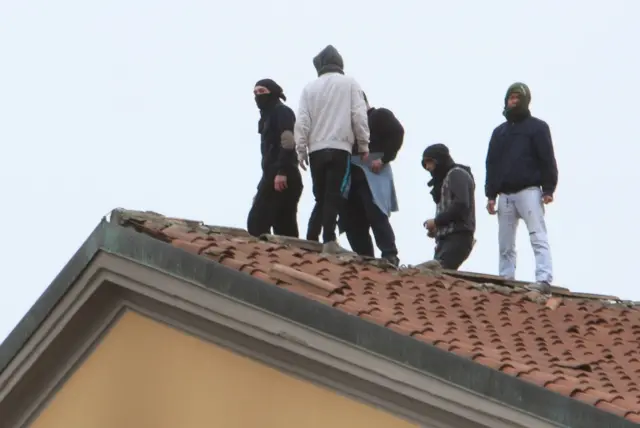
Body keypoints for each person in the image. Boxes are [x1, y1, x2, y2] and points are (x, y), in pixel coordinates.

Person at [295, 45, 370, 254]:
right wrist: (363, 144)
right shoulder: (350, 84)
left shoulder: (309, 88)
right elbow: (359, 115)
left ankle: (311, 237)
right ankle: (328, 239)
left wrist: (301, 150)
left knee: (320, 196)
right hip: (340, 147)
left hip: (316, 149)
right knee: (333, 194)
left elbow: (302, 121)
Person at [485, 82, 558, 295]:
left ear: (525, 100)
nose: (513, 101)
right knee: (505, 242)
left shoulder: (538, 127)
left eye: (517, 98)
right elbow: (492, 164)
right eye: (510, 98)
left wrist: (548, 189)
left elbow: (547, 158)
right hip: (505, 194)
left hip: (530, 191)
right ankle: (506, 277)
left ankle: (543, 277)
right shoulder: (499, 132)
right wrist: (490, 194)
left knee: (537, 235)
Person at [339, 92, 404, 266]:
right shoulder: (347, 127)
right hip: (350, 176)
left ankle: (389, 254)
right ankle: (365, 257)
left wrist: (383, 159)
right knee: (351, 220)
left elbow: (397, 132)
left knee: (376, 213)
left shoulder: (379, 116)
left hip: (372, 173)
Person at [247, 78, 303, 238]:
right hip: (273, 175)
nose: (258, 95)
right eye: (255, 92)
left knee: (257, 223)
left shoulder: (281, 112)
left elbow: (288, 142)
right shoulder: (266, 116)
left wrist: (282, 171)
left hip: (282, 175)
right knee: (284, 226)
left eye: (262, 91)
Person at [422, 143, 476, 270]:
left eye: (430, 162)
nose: (428, 167)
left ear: (439, 160)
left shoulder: (456, 174)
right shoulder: (445, 179)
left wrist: (436, 221)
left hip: (458, 237)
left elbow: (461, 205)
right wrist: (437, 228)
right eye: (425, 163)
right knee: (435, 276)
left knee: (436, 273)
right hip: (446, 239)